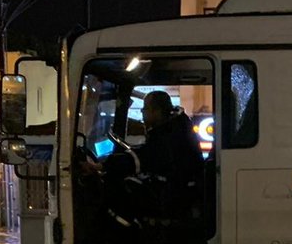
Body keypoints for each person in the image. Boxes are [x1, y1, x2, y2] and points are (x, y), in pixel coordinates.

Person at [87, 90, 206, 227]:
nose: (142, 113)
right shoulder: (175, 127)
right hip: (180, 189)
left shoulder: (169, 133)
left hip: (175, 193)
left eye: (145, 109)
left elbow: (147, 156)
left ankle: (129, 239)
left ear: (157, 112)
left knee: (119, 193)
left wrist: (102, 166)